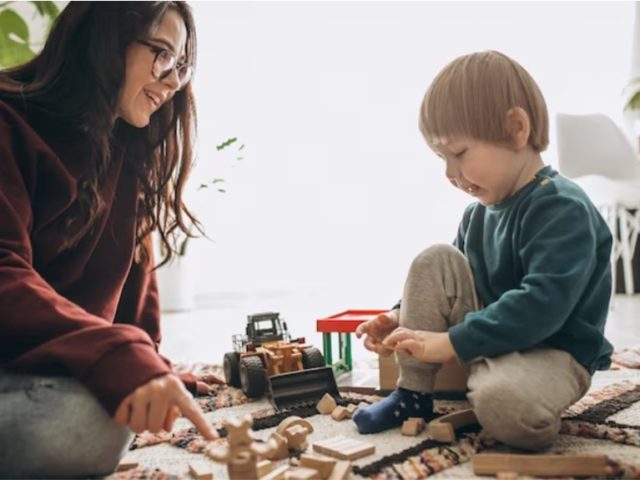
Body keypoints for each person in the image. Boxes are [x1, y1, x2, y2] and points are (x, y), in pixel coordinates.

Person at [0, 2, 221, 477]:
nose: (172, 81)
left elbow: (131, 279)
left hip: (47, 363)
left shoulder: (125, 144)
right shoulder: (6, 122)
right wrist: (116, 356)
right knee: (80, 426)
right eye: (161, 54)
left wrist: (151, 362)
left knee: (111, 412)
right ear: (102, 40)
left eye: (182, 66)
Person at [353, 50, 613, 451]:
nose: (449, 173)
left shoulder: (563, 207)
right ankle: (413, 395)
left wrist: (449, 344)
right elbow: (451, 287)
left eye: (459, 153)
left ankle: (510, 394)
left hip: (553, 353)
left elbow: (541, 307)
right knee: (435, 257)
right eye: (441, 158)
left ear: (516, 129)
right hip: (493, 342)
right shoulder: (477, 216)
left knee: (502, 403)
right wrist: (396, 316)